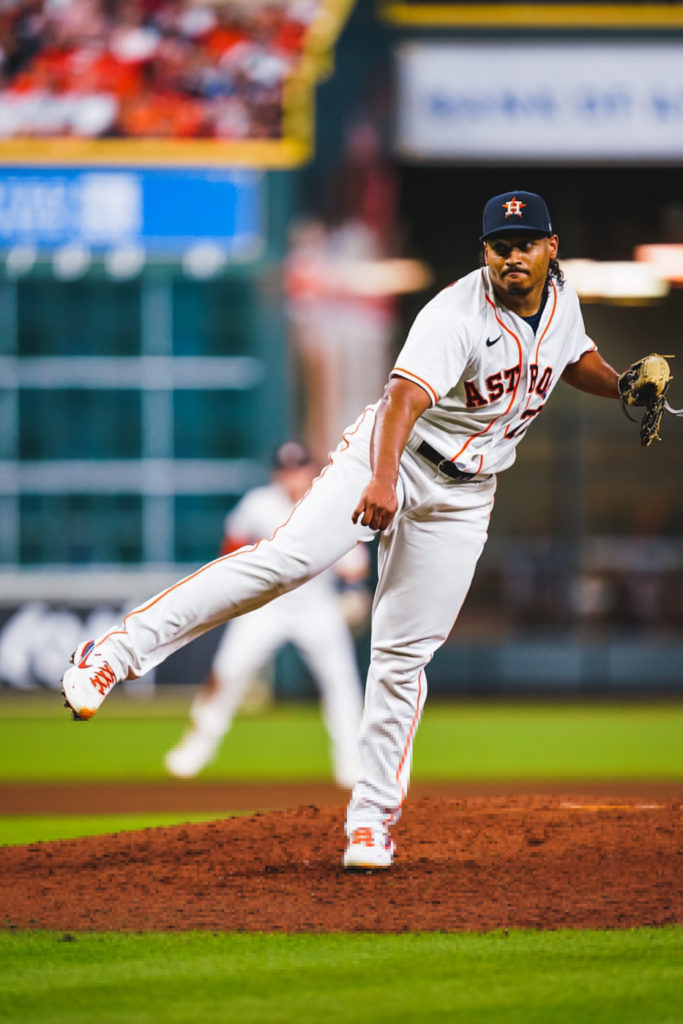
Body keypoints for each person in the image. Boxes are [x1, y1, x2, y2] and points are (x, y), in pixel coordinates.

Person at [62, 189, 625, 871]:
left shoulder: (562, 302)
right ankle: (113, 654)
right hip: (391, 458)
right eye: (500, 245)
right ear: (484, 253)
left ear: (549, 249)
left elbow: (572, 359)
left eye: (526, 243)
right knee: (284, 561)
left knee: (402, 655)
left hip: (465, 496)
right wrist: (382, 480)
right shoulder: (453, 314)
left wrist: (622, 386)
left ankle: (369, 823)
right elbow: (400, 401)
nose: (512, 255)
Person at [163, 440, 368, 788]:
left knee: (342, 685)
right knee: (226, 673)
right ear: (277, 473)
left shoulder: (329, 503)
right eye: (285, 470)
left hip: (316, 607)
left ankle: (351, 761)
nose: (292, 477)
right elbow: (231, 547)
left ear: (311, 470)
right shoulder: (258, 503)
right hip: (265, 607)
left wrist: (353, 592)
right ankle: (198, 747)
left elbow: (353, 564)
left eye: (299, 469)